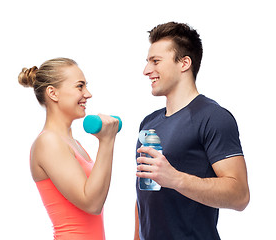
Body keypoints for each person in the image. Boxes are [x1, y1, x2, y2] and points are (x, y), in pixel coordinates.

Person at [134, 22, 250, 240]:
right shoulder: (148, 124)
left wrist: (175, 179)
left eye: (155, 61)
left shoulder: (213, 117)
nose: (146, 70)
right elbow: (144, 196)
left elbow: (240, 195)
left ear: (184, 63)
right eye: (147, 62)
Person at [18, 58, 119, 240]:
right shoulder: (49, 142)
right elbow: (92, 203)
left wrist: (107, 141)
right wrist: (107, 142)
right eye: (80, 86)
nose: (88, 94)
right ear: (53, 93)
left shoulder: (73, 144)